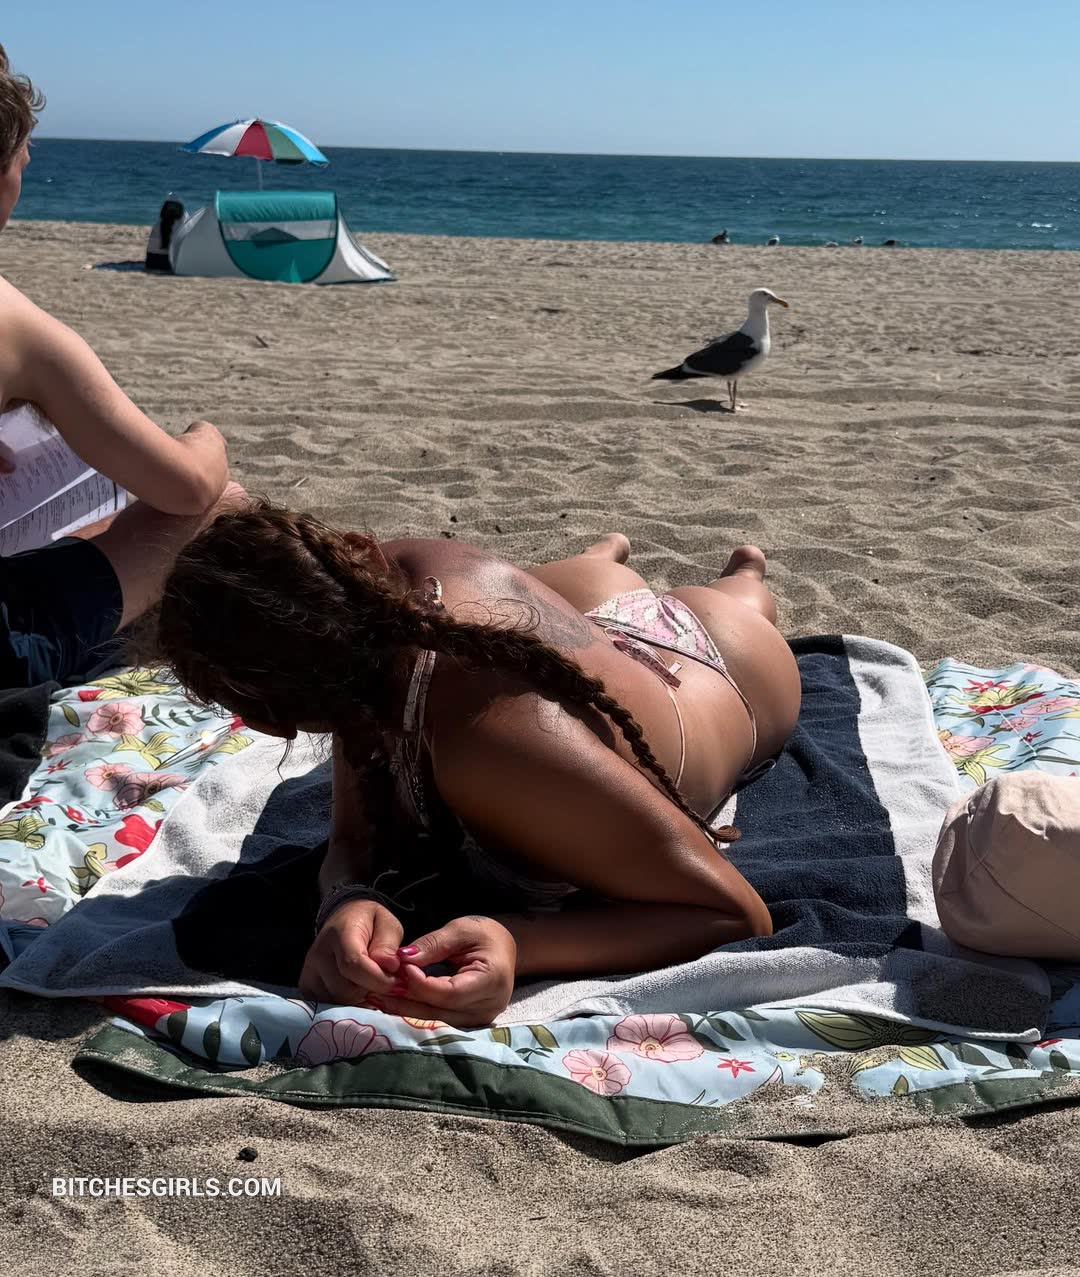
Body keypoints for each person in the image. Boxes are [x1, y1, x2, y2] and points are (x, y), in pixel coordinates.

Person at [154, 503, 802, 1026]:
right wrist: (347, 898)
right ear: (354, 551)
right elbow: (353, 837)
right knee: (590, 583)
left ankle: (741, 572)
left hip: (718, 671)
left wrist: (518, 941)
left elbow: (733, 912)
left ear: (269, 723)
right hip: (583, 622)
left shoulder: (498, 748)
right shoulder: (376, 601)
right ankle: (607, 559)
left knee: (739, 602)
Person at [0, 45, 244, 686]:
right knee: (219, 507)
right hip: (6, 644)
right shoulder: (14, 323)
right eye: (24, 159)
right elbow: (187, 487)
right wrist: (207, 437)